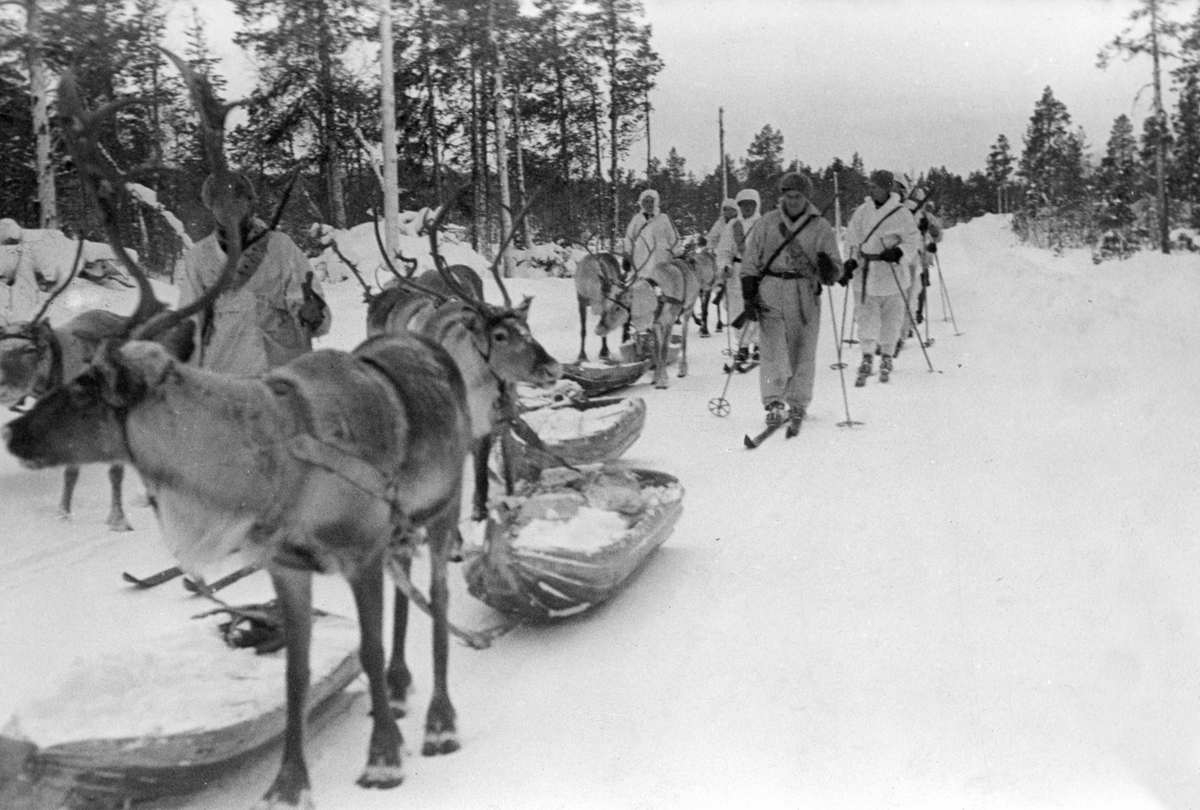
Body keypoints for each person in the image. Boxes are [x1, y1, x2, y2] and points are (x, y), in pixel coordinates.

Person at [177, 172, 331, 376]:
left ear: (249, 203)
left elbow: (308, 305)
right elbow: (191, 324)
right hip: (226, 373)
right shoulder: (198, 258)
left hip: (282, 372)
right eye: (219, 203)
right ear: (211, 208)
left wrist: (312, 314)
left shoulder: (281, 247)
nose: (228, 209)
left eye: (236, 200)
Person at [738, 171, 843, 429]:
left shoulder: (820, 226)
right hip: (771, 288)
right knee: (773, 348)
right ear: (781, 196)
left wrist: (828, 267)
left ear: (806, 197)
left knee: (803, 349)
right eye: (788, 195)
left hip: (804, 290)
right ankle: (773, 401)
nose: (793, 201)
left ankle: (798, 402)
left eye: (798, 196)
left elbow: (835, 270)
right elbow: (751, 261)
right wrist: (749, 294)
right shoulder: (767, 223)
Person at [842, 169, 921, 386]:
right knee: (866, 317)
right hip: (866, 272)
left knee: (892, 318)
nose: (871, 189)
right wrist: (850, 261)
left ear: (887, 188)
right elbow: (852, 240)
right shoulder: (862, 212)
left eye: (875, 186)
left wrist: (899, 252)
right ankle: (867, 355)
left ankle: (887, 356)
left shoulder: (901, 213)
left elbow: (912, 239)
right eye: (870, 185)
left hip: (891, 272)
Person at [716, 187, 762, 369]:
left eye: (751, 205)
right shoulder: (733, 225)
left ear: (756, 205)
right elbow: (724, 250)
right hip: (738, 270)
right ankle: (742, 346)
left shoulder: (764, 223)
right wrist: (725, 266)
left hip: (759, 269)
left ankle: (760, 344)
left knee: (759, 308)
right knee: (738, 309)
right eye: (743, 205)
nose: (747, 208)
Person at [623, 188, 680, 276]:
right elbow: (629, 238)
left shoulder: (664, 218)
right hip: (641, 259)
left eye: (651, 201)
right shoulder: (637, 219)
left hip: (661, 257)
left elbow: (673, 237)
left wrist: (677, 253)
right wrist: (627, 255)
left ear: (656, 202)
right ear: (641, 203)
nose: (649, 204)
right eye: (646, 201)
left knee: (661, 282)